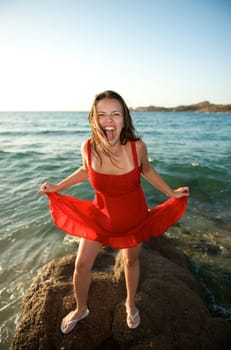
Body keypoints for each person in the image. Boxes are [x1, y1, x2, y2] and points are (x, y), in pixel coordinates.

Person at [39, 90, 189, 334]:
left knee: (130, 261)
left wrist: (171, 194)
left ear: (124, 118)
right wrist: (58, 187)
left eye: (115, 114)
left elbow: (147, 170)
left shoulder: (136, 148)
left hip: (133, 218)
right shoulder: (88, 147)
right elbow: (85, 170)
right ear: (94, 119)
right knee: (81, 265)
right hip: (100, 217)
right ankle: (81, 309)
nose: (109, 120)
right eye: (102, 115)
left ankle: (130, 304)